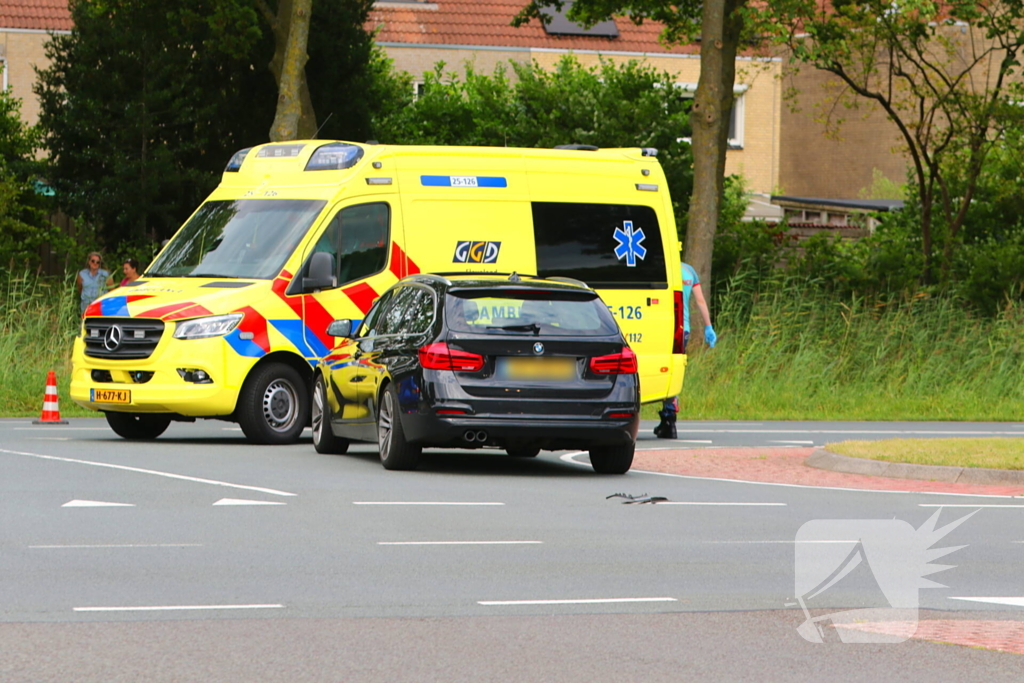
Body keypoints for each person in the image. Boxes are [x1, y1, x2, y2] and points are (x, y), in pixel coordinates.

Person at [654, 262, 717, 439]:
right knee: (674, 372)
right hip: (683, 330)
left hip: (663, 327)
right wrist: (708, 327)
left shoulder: (664, 267)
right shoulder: (689, 270)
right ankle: (669, 418)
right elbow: (700, 301)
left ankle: (663, 419)